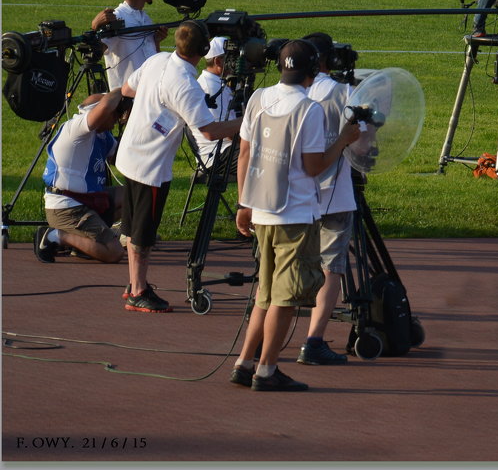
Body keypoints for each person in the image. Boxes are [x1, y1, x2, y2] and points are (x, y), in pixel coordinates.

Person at [229, 40, 361, 392]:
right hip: (295, 213)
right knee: (284, 299)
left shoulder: (258, 99)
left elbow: (243, 153)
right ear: (314, 70)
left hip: (262, 209)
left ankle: (245, 362)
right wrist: (344, 140)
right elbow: (314, 165)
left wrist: (244, 204)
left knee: (264, 294)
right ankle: (267, 369)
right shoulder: (309, 108)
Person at [115, 20, 242, 313]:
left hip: (131, 154)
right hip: (151, 164)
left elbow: (126, 88)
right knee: (143, 233)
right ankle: (138, 290)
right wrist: (243, 123)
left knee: (135, 227)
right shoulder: (185, 84)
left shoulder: (158, 59)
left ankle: (135, 283)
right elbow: (208, 131)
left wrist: (156, 103)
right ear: (203, 49)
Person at [294, 32, 357, 367]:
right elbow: (365, 140)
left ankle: (264, 339)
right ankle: (313, 340)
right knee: (332, 268)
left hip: (293, 195)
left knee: (290, 266)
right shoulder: (344, 92)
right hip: (334, 194)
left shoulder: (287, 93)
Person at [34, 90, 130, 264]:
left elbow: (123, 158)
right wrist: (125, 88)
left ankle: (85, 245)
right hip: (67, 209)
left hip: (87, 202)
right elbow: (107, 104)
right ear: (101, 113)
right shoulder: (77, 128)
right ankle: (55, 236)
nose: (116, 120)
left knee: (133, 196)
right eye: (114, 115)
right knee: (114, 253)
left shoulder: (102, 134)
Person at [90, 0, 169, 92]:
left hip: (146, 93)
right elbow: (101, 50)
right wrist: (95, 27)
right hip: (126, 97)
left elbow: (152, 61)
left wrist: (156, 42)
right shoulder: (117, 18)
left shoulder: (145, 18)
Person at [189, 36, 236, 177]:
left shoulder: (217, 82)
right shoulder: (211, 87)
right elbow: (227, 133)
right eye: (231, 59)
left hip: (223, 149)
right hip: (217, 154)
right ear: (218, 61)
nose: (236, 63)